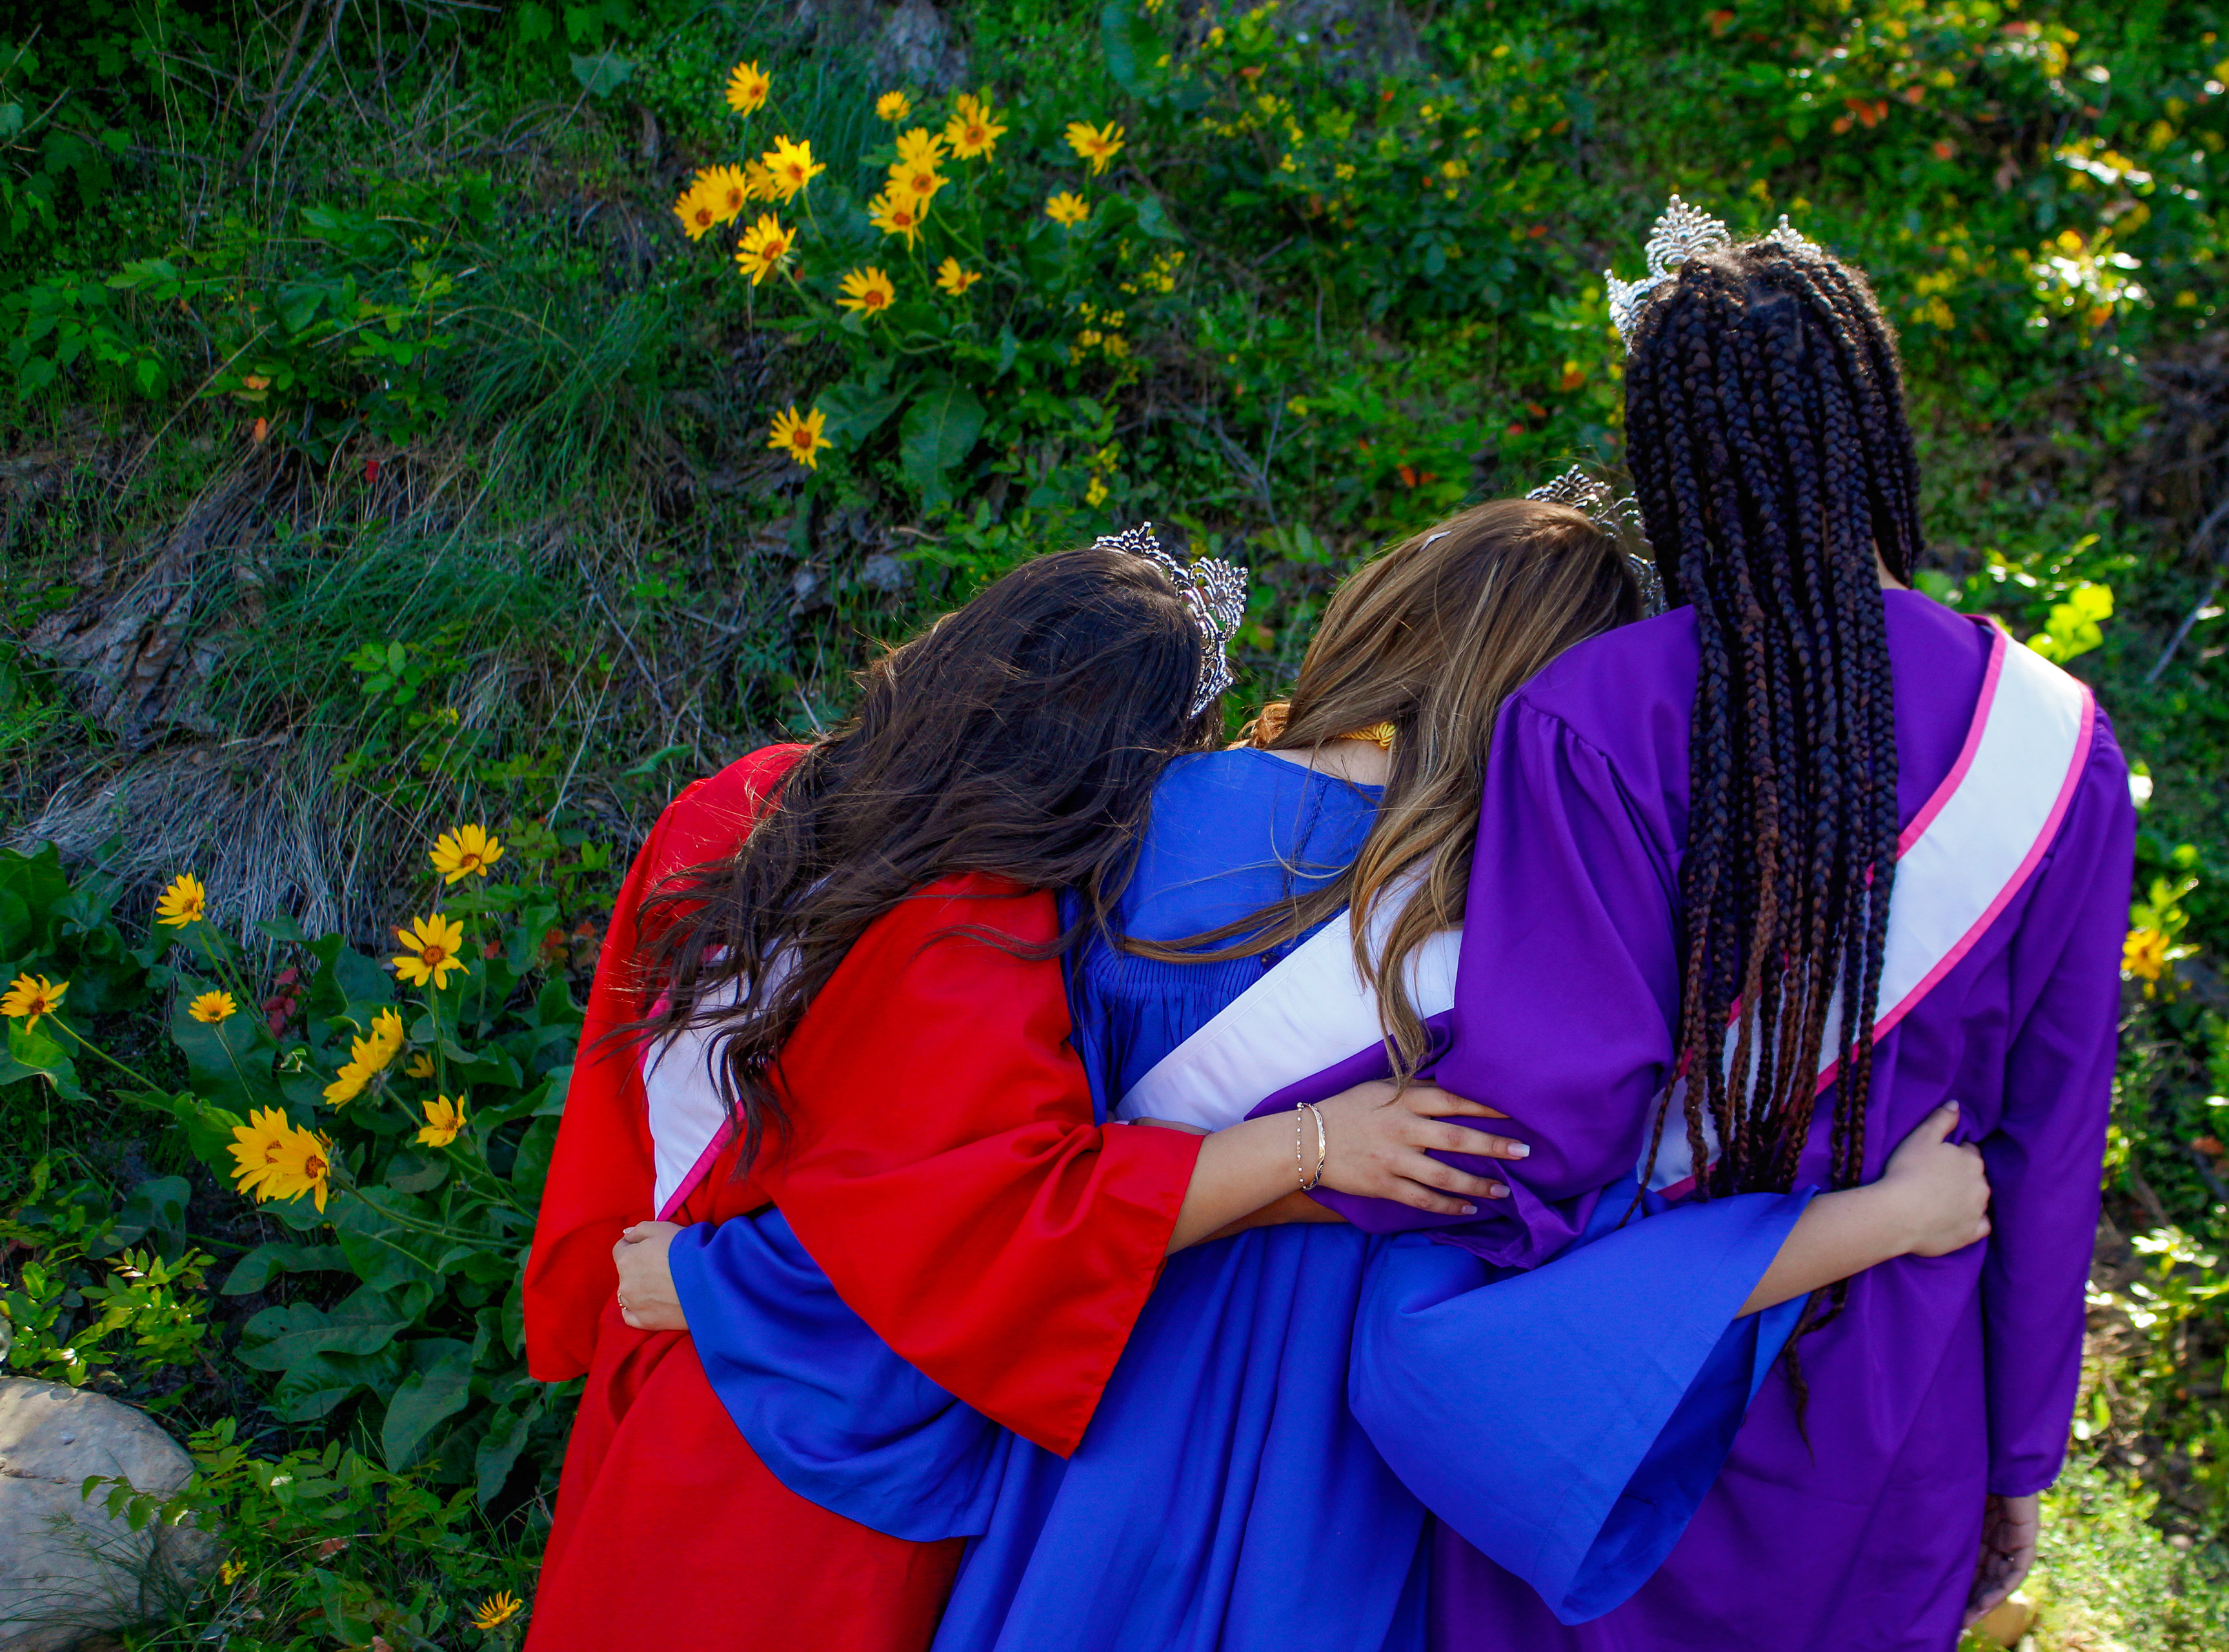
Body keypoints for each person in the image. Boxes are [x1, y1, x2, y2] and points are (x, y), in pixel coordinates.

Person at [609, 501, 1996, 1650]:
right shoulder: (1543, 949)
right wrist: (1882, 1222)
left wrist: (748, 1279)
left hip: (1093, 1400)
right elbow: (1580, 1282)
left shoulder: (1124, 822)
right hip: (1327, 1478)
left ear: (1385, 614)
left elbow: (977, 1186)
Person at [520, 539, 1530, 1652]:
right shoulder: (981, 925)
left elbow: (627, 1093)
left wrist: (655, 1268)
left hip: (650, 1358)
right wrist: (1313, 1152)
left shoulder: (737, 804)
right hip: (811, 1426)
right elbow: (996, 1220)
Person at [1393, 214, 2137, 1649]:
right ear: (1874, 432)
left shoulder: (1591, 718)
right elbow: (2052, 1138)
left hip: (1624, 1395)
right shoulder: (2053, 742)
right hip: (1898, 1391)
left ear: (1669, 463)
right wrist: (2019, 1456)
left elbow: (1545, 1126)